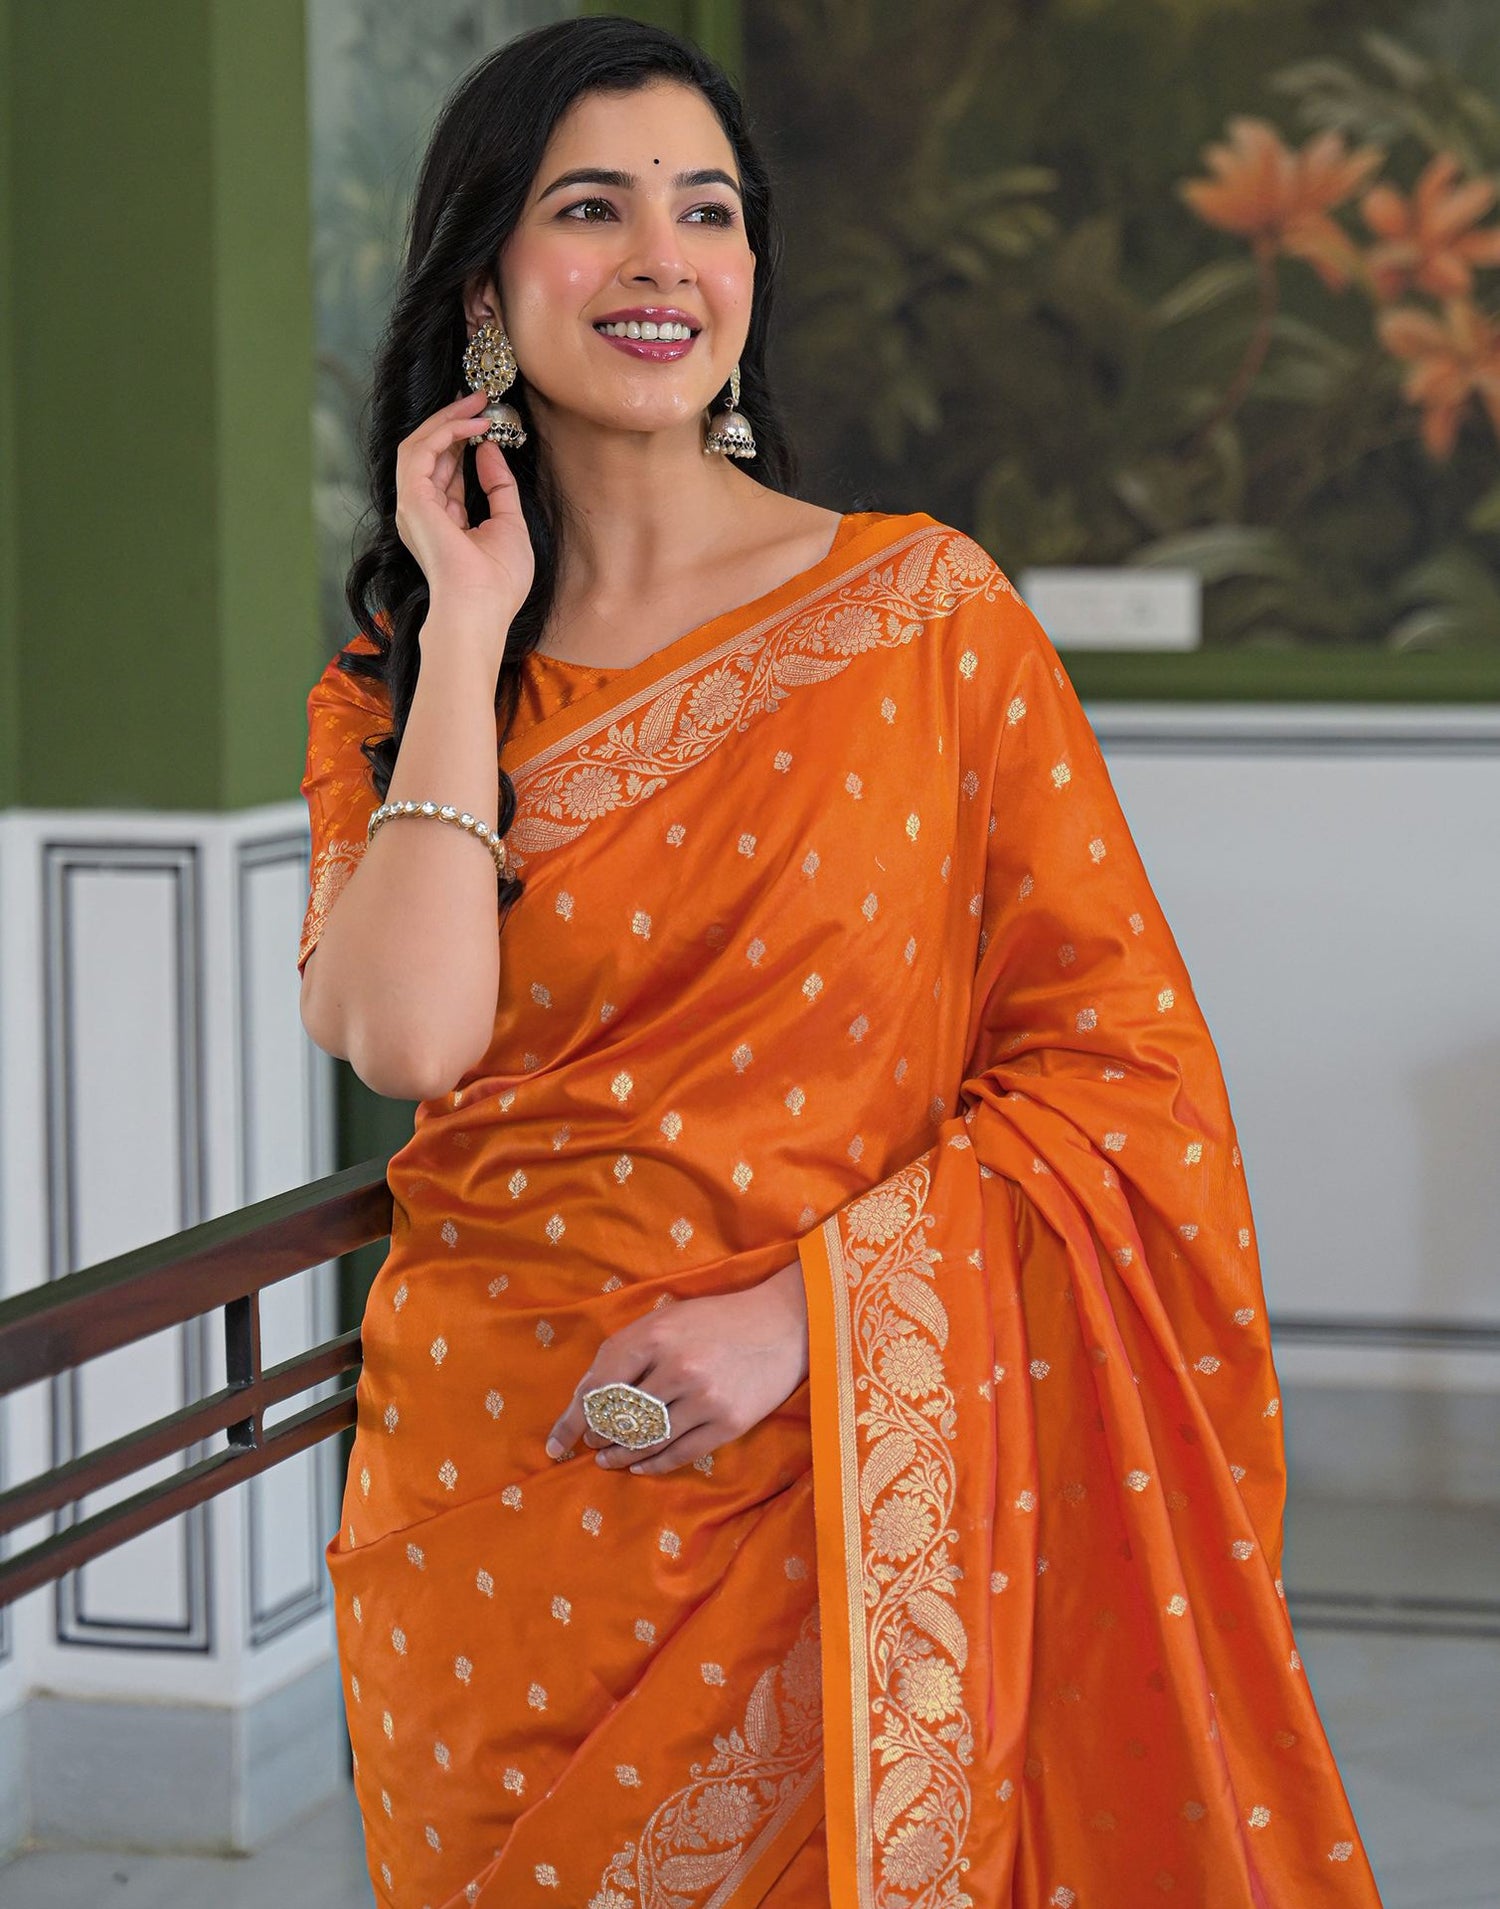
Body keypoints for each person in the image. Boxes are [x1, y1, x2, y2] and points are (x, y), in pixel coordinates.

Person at [297, 17, 1384, 1909]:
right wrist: (467, 636)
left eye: (705, 212)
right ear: (486, 283)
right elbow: (407, 1030)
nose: (661, 260)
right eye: (590, 209)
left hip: (829, 1479)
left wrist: (802, 1317)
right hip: (491, 1523)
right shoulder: (400, 692)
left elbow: (1118, 1078)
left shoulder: (924, 622)